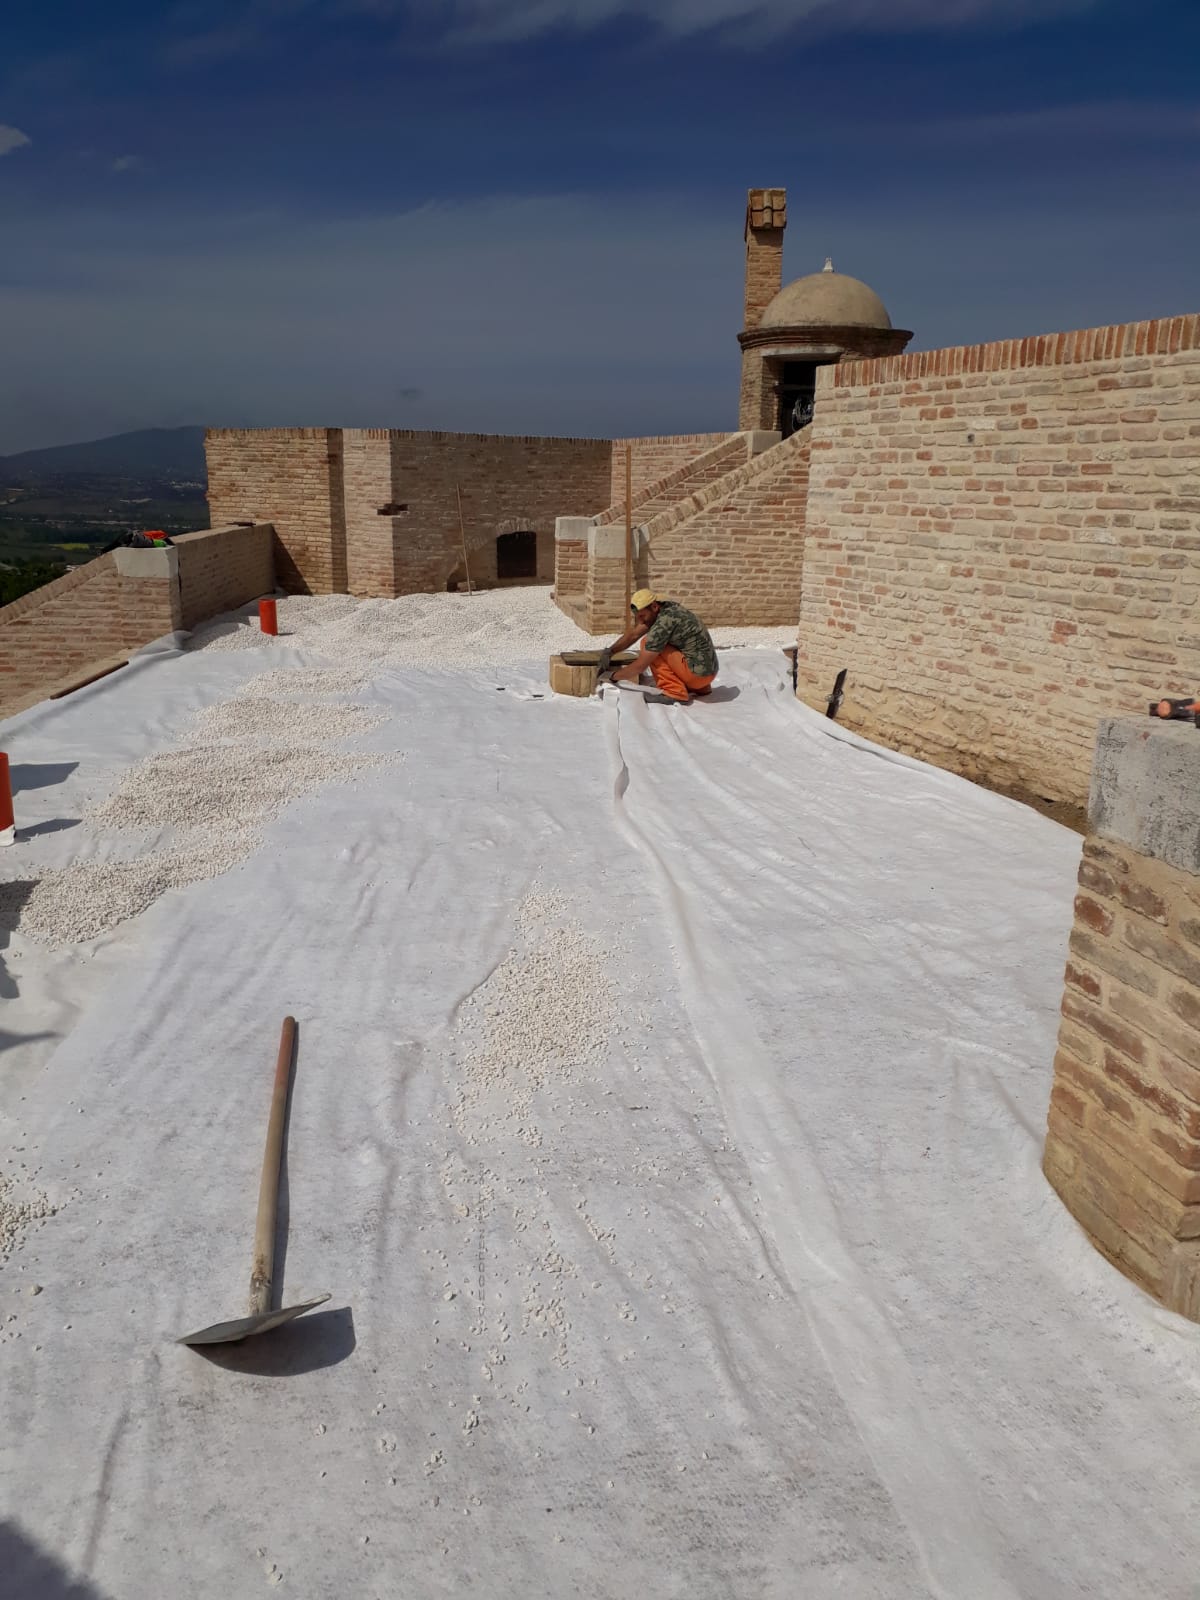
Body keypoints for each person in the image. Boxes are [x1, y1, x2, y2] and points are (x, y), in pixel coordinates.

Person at [597, 590, 718, 703]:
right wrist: (610, 651)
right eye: (638, 617)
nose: (641, 621)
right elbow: (634, 634)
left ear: (654, 607)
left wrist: (612, 676)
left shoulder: (663, 624)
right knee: (660, 643)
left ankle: (674, 693)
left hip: (697, 676)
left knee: (648, 643)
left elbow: (640, 666)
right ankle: (700, 688)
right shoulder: (667, 609)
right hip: (708, 674)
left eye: (642, 616)